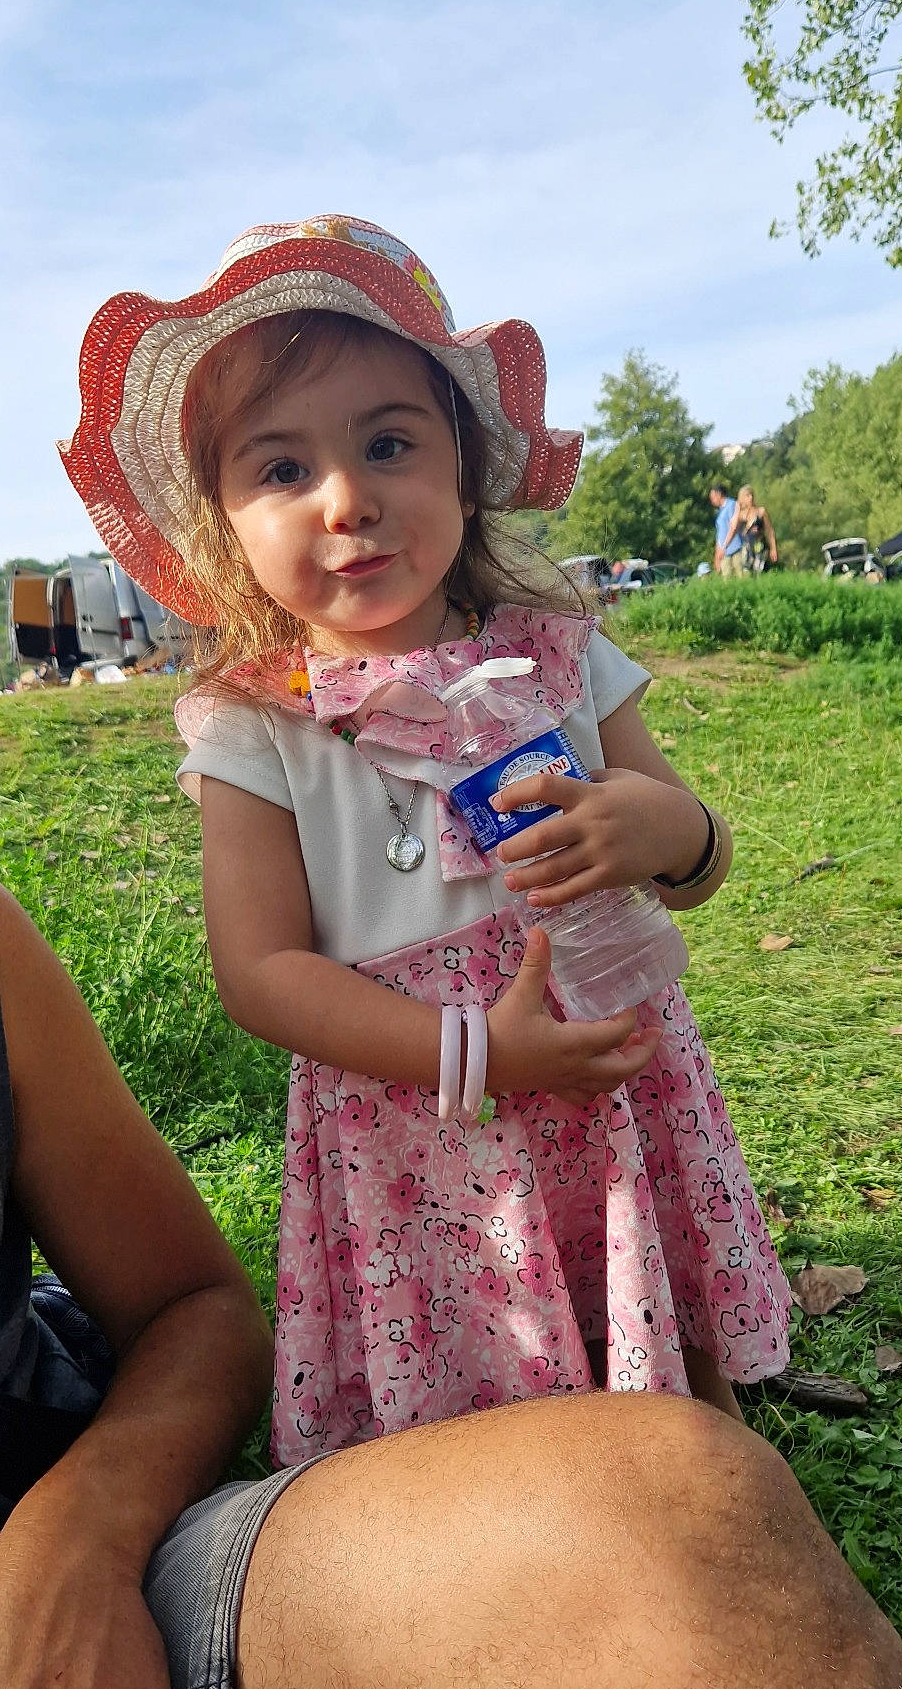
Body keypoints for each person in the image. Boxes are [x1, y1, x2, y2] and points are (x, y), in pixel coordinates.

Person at [0, 856, 902, 1689]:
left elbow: (194, 1307)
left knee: (676, 1518)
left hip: (32, 1575)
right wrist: (470, 1049)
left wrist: (67, 1547)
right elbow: (259, 973)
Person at [59, 215, 793, 1491]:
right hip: (422, 1117)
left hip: (612, 1073)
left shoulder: (560, 651)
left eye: (388, 443)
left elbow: (698, 853)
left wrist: (666, 828)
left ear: (462, 463)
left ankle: (711, 1496)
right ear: (225, 522)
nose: (347, 499)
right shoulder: (254, 724)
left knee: (646, 1302)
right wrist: (477, 1050)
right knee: (470, 1402)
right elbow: (261, 968)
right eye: (281, 468)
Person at [727, 486, 777, 573]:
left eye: (751, 495)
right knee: (746, 572)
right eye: (747, 495)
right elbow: (732, 526)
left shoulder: (761, 512)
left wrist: (773, 548)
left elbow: (769, 530)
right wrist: (737, 509)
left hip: (760, 546)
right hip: (746, 548)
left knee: (759, 571)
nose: (751, 497)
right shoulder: (741, 515)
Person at [710, 483, 741, 574]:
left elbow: (733, 527)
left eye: (713, 497)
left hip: (735, 549)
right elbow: (719, 535)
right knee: (726, 578)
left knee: (740, 575)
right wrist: (717, 556)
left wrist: (724, 546)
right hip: (724, 553)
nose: (712, 501)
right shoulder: (720, 512)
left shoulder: (732, 505)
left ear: (719, 494)